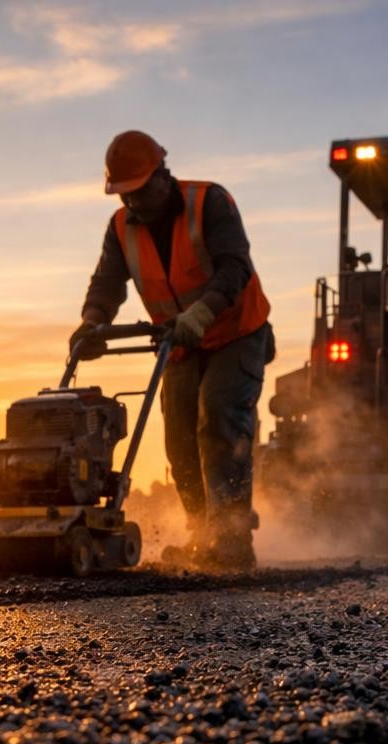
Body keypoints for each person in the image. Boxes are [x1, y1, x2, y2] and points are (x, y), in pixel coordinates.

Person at [70, 130, 274, 570]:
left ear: (162, 175)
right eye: (124, 196)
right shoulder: (121, 227)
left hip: (236, 332)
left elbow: (236, 266)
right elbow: (107, 282)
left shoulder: (210, 202)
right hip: (179, 343)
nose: (134, 204)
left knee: (219, 418)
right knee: (179, 441)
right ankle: (204, 537)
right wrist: (92, 321)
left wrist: (203, 313)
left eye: (140, 193)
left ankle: (233, 541)